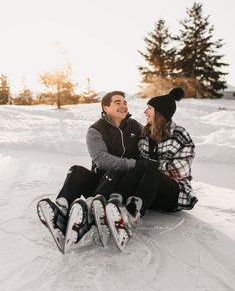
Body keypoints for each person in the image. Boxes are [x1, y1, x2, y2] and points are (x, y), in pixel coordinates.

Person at [37, 90, 143, 253]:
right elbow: (101, 159)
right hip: (100, 180)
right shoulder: (95, 130)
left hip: (121, 185)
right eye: (118, 102)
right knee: (77, 170)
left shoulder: (135, 126)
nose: (123, 106)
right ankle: (61, 210)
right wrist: (132, 163)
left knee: (113, 172)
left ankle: (91, 210)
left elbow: (152, 141)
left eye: (125, 102)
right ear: (106, 108)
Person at [93, 87, 198, 251]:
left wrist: (152, 165)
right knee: (137, 165)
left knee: (150, 168)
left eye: (149, 108)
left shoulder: (179, 135)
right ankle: (115, 204)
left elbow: (180, 171)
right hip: (150, 193)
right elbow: (139, 163)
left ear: (160, 112)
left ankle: (132, 216)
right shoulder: (145, 135)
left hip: (174, 193)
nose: (145, 111)